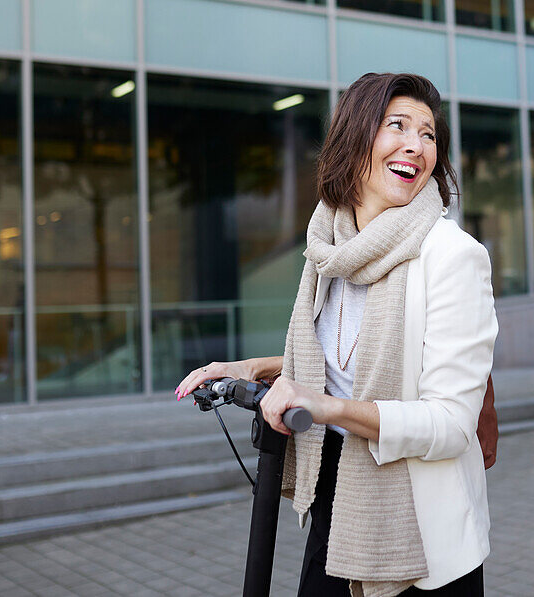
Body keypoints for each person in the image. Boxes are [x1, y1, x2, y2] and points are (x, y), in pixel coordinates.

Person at [176, 73, 497, 596]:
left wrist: (322, 407)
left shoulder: (452, 254)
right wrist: (256, 368)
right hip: (339, 495)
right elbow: (344, 359)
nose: (416, 145)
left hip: (418, 528)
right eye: (398, 125)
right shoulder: (329, 246)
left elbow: (450, 423)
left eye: (429, 133)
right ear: (355, 137)